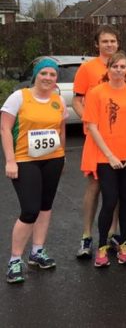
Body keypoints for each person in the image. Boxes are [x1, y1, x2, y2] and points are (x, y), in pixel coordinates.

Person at [73, 25, 126, 259]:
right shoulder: (87, 68)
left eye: (113, 41)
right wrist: (92, 122)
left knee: (119, 190)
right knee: (94, 187)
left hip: (121, 140)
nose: (109, 45)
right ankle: (87, 235)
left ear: (118, 44)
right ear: (97, 44)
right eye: (105, 41)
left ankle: (113, 233)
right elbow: (77, 100)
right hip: (96, 140)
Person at [1, 58, 68, 283]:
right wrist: (10, 160)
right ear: (36, 75)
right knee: (30, 210)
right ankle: (14, 260)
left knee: (45, 207)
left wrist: (63, 154)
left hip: (53, 159)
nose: (48, 78)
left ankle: (37, 251)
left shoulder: (58, 100)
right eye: (44, 74)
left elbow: (60, 129)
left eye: (52, 74)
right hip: (24, 159)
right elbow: (4, 128)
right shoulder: (19, 97)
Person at [81, 51, 126, 267]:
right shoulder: (97, 93)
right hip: (105, 157)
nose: (119, 70)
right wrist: (109, 155)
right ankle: (102, 246)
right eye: (115, 66)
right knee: (109, 201)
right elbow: (92, 126)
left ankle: (123, 241)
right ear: (108, 69)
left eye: (123, 67)